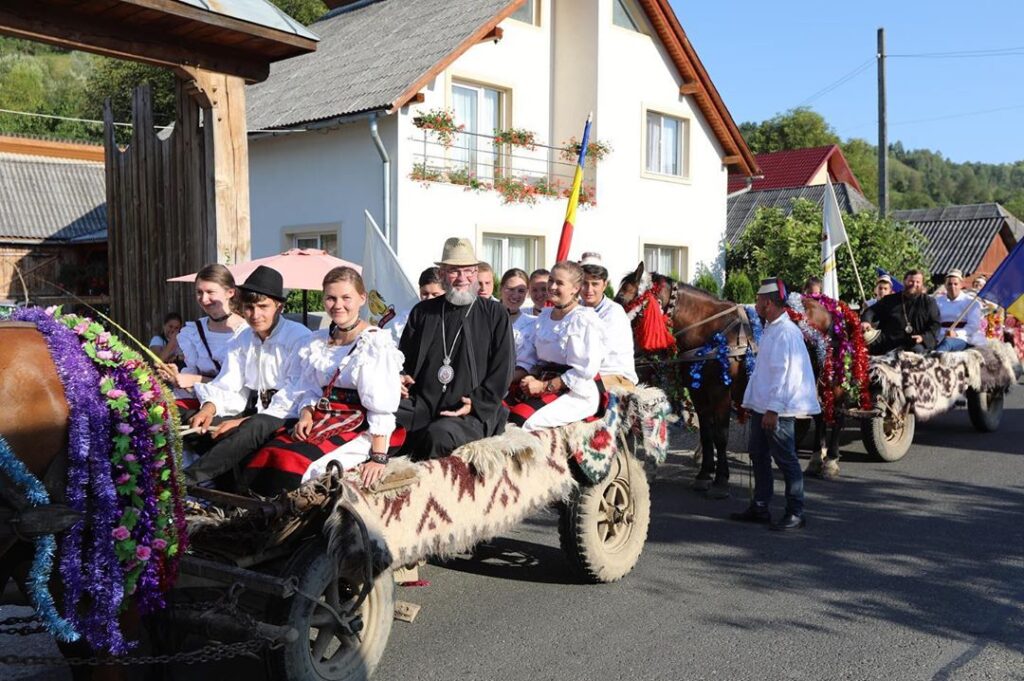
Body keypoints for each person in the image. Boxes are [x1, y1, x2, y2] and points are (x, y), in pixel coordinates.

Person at [241, 267, 404, 494]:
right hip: (321, 418)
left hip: (360, 425)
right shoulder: (318, 341)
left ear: (362, 298)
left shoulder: (374, 344)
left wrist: (378, 457)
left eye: (346, 298)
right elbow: (309, 387)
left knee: (305, 467)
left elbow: (381, 406)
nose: (338, 305)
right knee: (271, 453)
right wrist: (306, 414)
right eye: (331, 298)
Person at [183, 266, 312, 489]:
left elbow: (295, 393)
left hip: (286, 414)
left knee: (253, 427)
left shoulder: (298, 337)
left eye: (263, 307)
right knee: (192, 422)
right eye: (249, 307)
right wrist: (209, 409)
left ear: (279, 306)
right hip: (254, 411)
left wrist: (242, 422)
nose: (255, 315)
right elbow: (230, 383)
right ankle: (225, 482)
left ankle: (187, 479)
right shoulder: (243, 338)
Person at [396, 237, 515, 459]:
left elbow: (503, 368)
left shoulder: (495, 313)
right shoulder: (422, 312)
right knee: (382, 418)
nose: (462, 278)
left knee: (438, 435)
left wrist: (477, 403)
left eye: (469, 271)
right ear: (442, 274)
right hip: (423, 404)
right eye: (454, 271)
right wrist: (400, 376)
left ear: (476, 273)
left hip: (470, 411)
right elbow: (403, 359)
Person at [730, 278, 819, 531]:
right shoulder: (772, 328)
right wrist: (753, 401)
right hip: (764, 406)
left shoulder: (785, 332)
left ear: (768, 303)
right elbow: (764, 372)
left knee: (786, 459)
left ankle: (796, 512)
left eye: (758, 301)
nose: (756, 304)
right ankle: (760, 506)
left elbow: (784, 375)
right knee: (758, 454)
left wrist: (773, 409)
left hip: (777, 409)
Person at [509, 261, 607, 430]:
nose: (552, 287)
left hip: (577, 391)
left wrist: (544, 386)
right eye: (551, 280)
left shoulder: (583, 319)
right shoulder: (544, 317)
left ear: (575, 288)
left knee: (523, 421)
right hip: (544, 380)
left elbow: (584, 371)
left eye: (559, 283)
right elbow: (536, 359)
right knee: (501, 409)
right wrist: (530, 377)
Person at [158, 264, 247, 402]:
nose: (204, 299)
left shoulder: (247, 332)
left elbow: (240, 388)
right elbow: (195, 391)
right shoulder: (194, 331)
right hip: (201, 405)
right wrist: (176, 378)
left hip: (234, 409)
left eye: (210, 292)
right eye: (199, 292)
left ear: (230, 292)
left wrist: (195, 379)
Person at [579, 252, 638, 389]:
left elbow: (596, 354)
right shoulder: (577, 308)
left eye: (595, 284)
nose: (589, 289)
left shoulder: (614, 313)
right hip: (586, 373)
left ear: (605, 285)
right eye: (584, 283)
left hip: (615, 377)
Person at [861, 269, 941, 355]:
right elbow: (871, 311)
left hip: (915, 343)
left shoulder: (929, 302)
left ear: (922, 284)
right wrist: (866, 321)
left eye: (918, 282)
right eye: (911, 281)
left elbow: (935, 324)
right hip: (889, 341)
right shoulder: (890, 300)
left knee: (916, 352)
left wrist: (923, 338)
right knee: (865, 346)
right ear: (904, 281)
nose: (914, 284)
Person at [934, 269, 984, 352]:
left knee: (947, 343)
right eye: (949, 284)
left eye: (955, 284)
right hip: (940, 335)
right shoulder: (937, 301)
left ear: (961, 285)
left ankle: (936, 356)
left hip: (963, 337)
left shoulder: (971, 302)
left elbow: (973, 325)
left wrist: (957, 333)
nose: (952, 287)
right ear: (945, 285)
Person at [500, 267, 536, 357]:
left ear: (527, 293)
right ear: (501, 288)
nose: (515, 295)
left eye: (521, 291)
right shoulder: (487, 319)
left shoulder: (533, 323)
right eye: (511, 289)